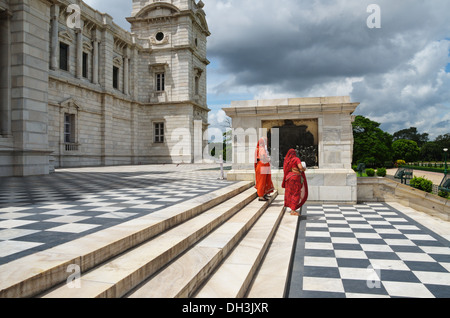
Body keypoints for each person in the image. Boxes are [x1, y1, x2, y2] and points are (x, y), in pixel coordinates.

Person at [282, 149, 308, 216]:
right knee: (296, 193)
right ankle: (293, 210)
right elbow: (300, 167)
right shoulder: (296, 159)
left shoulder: (287, 161)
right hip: (295, 177)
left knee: (290, 193)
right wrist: (304, 169)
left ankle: (291, 207)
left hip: (288, 178)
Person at [255, 137, 274, 201]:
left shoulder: (258, 148)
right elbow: (263, 156)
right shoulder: (262, 148)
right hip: (262, 165)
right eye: (265, 141)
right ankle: (261, 196)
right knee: (262, 181)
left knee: (263, 180)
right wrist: (268, 159)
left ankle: (262, 194)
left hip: (261, 165)